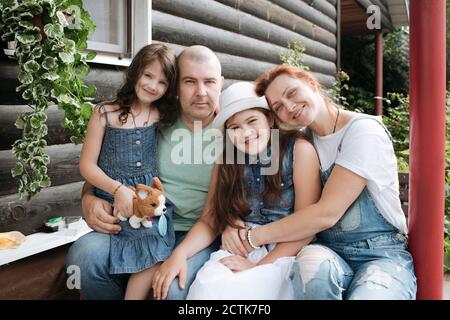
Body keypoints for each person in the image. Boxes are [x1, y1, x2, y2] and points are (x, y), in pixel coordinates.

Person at [225, 65, 416, 300]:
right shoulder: (304, 143)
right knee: (311, 269)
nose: (289, 106)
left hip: (380, 253)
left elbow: (327, 213)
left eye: (292, 93)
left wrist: (254, 237)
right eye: (278, 107)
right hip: (327, 251)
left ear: (311, 83)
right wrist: (231, 222)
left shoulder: (363, 132)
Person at [67, 45, 225, 300]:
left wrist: (179, 254)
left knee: (172, 292)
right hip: (139, 221)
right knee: (83, 260)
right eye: (189, 82)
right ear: (176, 88)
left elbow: (217, 215)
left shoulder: (232, 133)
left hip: (195, 233)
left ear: (221, 84)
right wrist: (88, 199)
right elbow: (110, 163)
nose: (201, 93)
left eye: (209, 82)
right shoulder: (159, 119)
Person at [152, 81, 321, 300]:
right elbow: (210, 219)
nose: (246, 133)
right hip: (239, 247)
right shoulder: (227, 160)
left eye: (252, 121)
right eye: (235, 128)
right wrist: (179, 254)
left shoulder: (299, 151)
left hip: (285, 251)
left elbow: (307, 228)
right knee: (208, 290)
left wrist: (257, 266)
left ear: (269, 119)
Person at [78, 43, 177, 299]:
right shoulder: (105, 113)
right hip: (114, 206)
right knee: (84, 261)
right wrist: (117, 189)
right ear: (135, 73)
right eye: (148, 76)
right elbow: (87, 165)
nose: (153, 86)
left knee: (153, 252)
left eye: (162, 82)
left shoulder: (161, 116)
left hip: (148, 206)